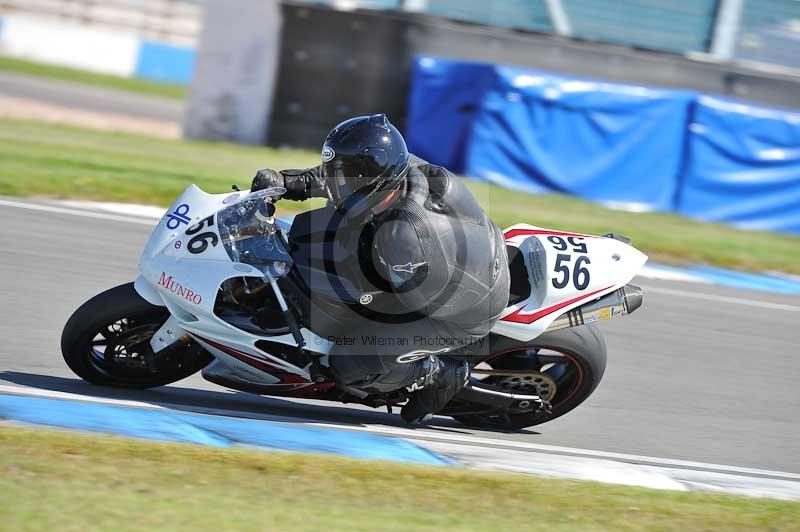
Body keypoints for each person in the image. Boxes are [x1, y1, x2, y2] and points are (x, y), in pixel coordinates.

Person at [252, 114, 510, 423]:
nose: (338, 180)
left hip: (458, 312)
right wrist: (290, 182)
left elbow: (397, 305)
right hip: (466, 254)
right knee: (316, 232)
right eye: (340, 171)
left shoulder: (401, 239)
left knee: (347, 362)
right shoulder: (403, 169)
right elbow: (341, 179)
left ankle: (440, 373)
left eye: (346, 174)